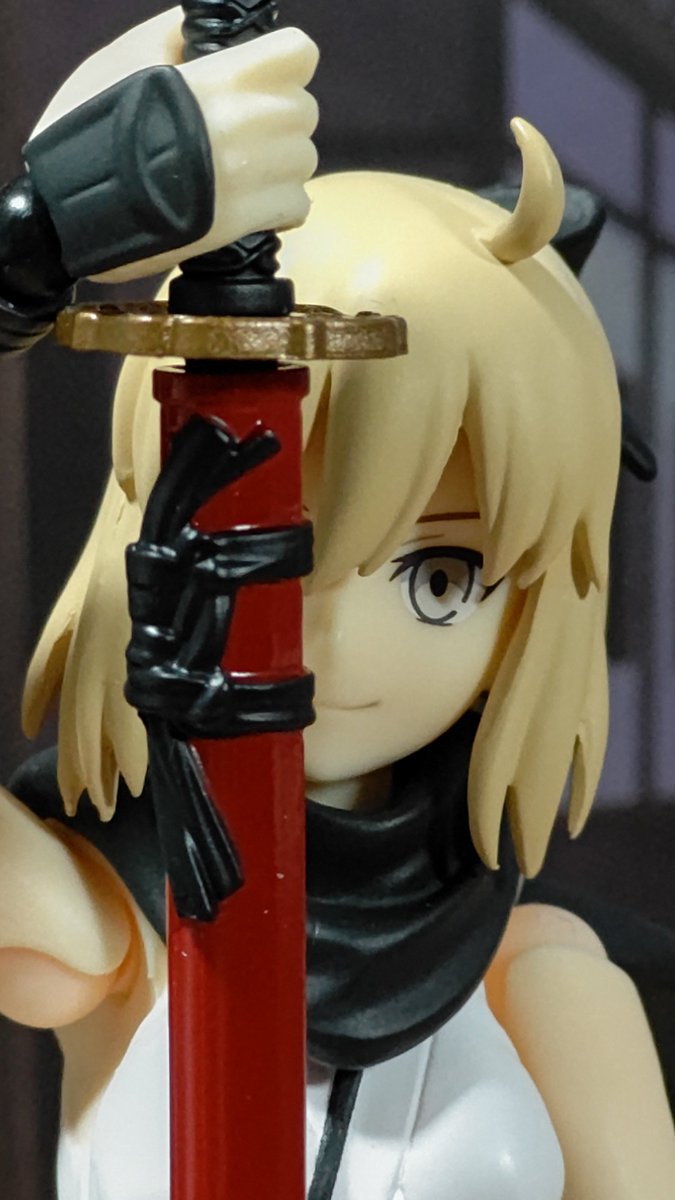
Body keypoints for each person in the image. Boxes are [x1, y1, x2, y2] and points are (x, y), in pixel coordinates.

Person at [1, 14, 674, 1200]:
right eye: (287, 557)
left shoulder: (544, 975)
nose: (336, 641)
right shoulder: (101, 913)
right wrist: (25, 251)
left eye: (441, 578)